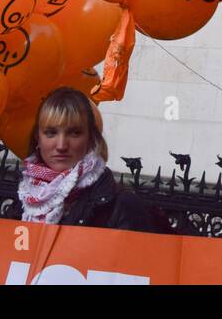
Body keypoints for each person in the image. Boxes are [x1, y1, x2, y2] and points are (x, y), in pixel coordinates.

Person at [17, 87, 156, 231]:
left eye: (74, 133)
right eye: (51, 133)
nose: (61, 145)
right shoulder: (23, 199)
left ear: (91, 138)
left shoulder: (121, 205)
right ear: (37, 139)